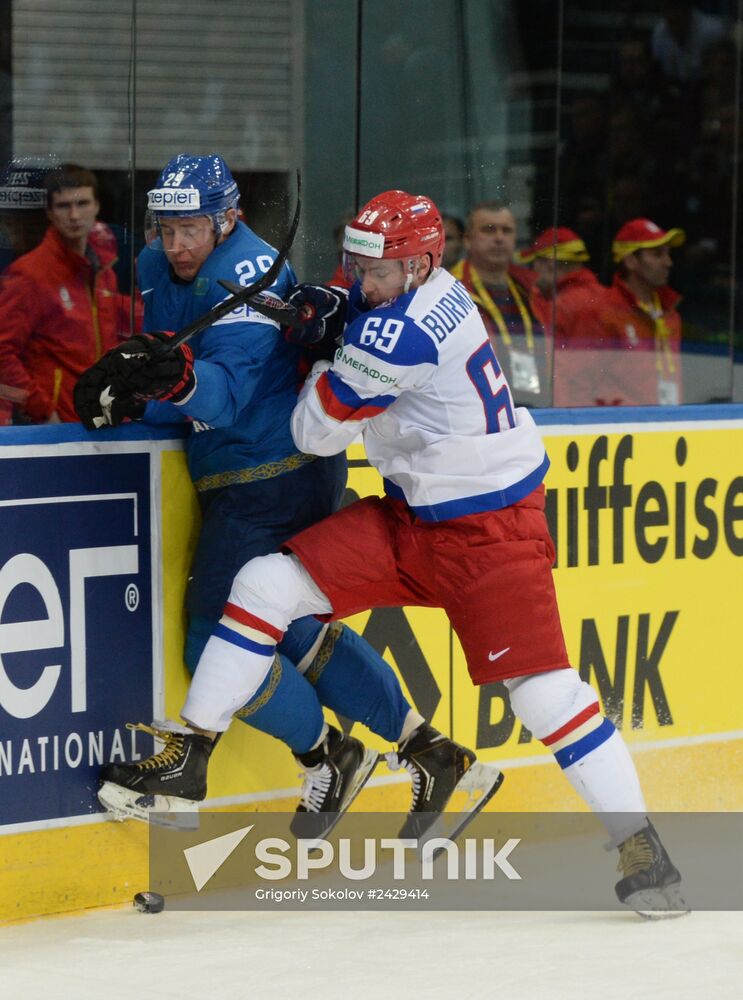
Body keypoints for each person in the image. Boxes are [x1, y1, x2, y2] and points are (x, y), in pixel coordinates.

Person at [94, 189, 685, 915]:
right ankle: (193, 755)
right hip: (414, 514)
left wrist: (316, 343)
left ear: (422, 263)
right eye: (355, 263)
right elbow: (353, 307)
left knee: (542, 695)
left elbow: (312, 432)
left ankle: (642, 846)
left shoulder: (401, 335)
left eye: (376, 271)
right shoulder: (414, 290)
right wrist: (332, 308)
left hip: (487, 532)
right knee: (264, 586)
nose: (360, 279)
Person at [74, 156, 500, 841]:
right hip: (252, 469)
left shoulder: (250, 277)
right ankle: (426, 750)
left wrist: (166, 388)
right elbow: (169, 370)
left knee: (215, 635)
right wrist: (134, 397)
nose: (176, 244)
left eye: (190, 229)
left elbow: (224, 396)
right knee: (285, 627)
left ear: (227, 218)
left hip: (269, 476)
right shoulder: (157, 262)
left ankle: (324, 754)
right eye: (165, 228)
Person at [0, 163, 134, 424]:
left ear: (96, 207)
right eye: (64, 206)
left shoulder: (104, 267)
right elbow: (2, 350)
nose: (74, 215)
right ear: (50, 212)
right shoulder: (31, 274)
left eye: (82, 203)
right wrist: (42, 409)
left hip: (103, 418)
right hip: (58, 424)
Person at [450, 200, 550, 407]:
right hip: (477, 410)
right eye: (489, 230)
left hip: (534, 406)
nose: (499, 238)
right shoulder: (450, 292)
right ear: (468, 240)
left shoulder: (531, 289)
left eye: (507, 231)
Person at [592, 218, 685, 406]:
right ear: (631, 260)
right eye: (658, 254)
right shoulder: (604, 311)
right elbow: (588, 381)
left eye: (668, 254)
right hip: (622, 427)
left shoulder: (670, 314)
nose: (668, 262)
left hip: (671, 422)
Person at [517, 226, 606, 406]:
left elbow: (568, 371)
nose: (533, 270)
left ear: (549, 263)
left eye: (535, 262)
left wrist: (561, 414)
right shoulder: (598, 294)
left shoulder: (563, 306)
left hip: (576, 408)